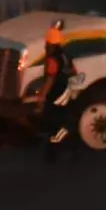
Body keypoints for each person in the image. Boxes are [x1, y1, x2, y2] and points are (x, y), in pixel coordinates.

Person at [38, 20, 79, 163]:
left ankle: (53, 151)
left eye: (47, 43)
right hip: (67, 92)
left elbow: (50, 78)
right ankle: (71, 148)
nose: (45, 46)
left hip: (56, 94)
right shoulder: (65, 55)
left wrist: (42, 96)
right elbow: (74, 72)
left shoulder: (52, 59)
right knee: (65, 121)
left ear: (51, 44)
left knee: (53, 123)